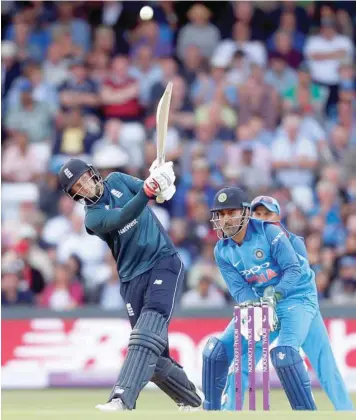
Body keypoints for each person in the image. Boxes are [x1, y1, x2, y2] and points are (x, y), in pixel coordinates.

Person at [58, 158, 202, 412]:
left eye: (83, 180)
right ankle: (196, 402)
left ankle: (121, 398)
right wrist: (149, 189)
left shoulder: (116, 179)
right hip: (131, 278)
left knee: (146, 332)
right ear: (73, 195)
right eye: (76, 188)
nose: (84, 188)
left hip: (162, 261)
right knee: (153, 356)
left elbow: (154, 193)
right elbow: (125, 215)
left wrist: (162, 182)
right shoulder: (93, 218)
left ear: (93, 174)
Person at [202, 187, 354, 411]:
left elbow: (295, 272)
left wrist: (276, 295)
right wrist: (254, 307)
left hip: (297, 299)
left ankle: (336, 413)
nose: (225, 220)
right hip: (263, 304)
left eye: (231, 213)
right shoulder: (222, 250)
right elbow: (239, 289)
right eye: (221, 214)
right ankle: (223, 412)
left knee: (292, 356)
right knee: (220, 352)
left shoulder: (280, 236)